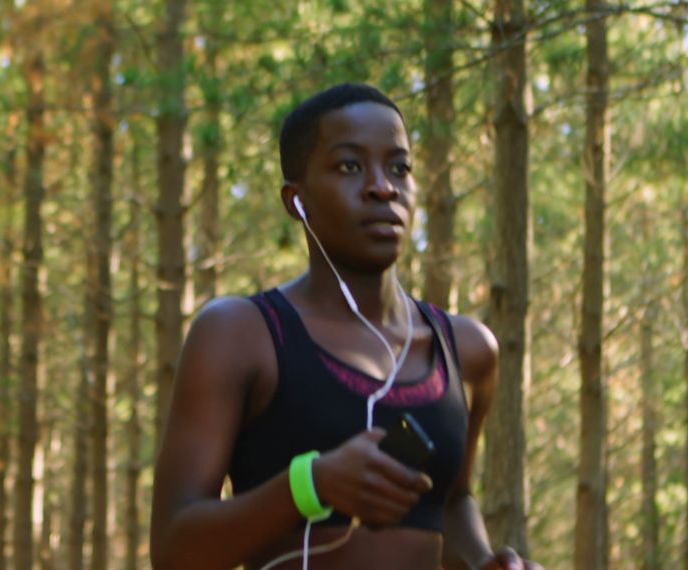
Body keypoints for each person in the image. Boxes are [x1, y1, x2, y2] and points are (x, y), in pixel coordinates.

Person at [150, 83, 542, 570]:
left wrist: (485, 562)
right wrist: (309, 486)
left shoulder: (466, 349)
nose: (383, 186)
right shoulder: (241, 335)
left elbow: (450, 502)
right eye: (350, 166)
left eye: (399, 167)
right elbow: (172, 550)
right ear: (297, 202)